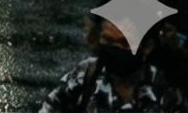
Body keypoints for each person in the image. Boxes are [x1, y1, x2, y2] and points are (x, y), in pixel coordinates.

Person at [39, 17, 173, 112]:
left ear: (147, 47)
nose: (114, 50)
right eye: (107, 41)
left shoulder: (164, 92)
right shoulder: (84, 76)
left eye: (124, 43)